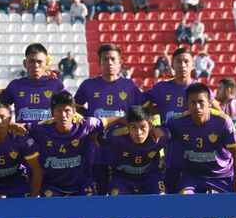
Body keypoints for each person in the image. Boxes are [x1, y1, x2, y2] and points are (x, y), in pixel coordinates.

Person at [75, 43, 144, 195]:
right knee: (98, 194)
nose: (109, 63)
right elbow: (76, 107)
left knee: (119, 193)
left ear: (120, 62)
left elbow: (142, 112)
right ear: (99, 62)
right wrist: (91, 121)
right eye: (105, 59)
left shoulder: (129, 86)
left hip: (123, 149)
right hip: (96, 147)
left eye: (113, 59)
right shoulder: (88, 85)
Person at [28, 91, 126, 197]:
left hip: (82, 185)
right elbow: (20, 127)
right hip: (53, 186)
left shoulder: (86, 125)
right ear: (52, 112)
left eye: (67, 110)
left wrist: (123, 119)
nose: (63, 115)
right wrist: (10, 124)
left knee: (93, 209)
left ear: (74, 111)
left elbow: (108, 121)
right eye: (59, 111)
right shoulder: (41, 129)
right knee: (51, 210)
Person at [166, 83, 236, 193]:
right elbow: (160, 132)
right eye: (193, 102)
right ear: (187, 104)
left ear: (209, 103)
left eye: (201, 102)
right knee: (185, 198)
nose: (197, 106)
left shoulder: (223, 122)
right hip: (194, 176)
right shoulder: (177, 122)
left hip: (223, 174)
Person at [143, 47, 196, 193]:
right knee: (171, 200)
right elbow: (140, 108)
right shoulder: (162, 88)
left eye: (186, 61)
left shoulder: (200, 90)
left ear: (193, 65)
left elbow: (216, 114)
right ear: (172, 65)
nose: (182, 65)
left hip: (195, 159)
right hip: (170, 157)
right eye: (178, 62)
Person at [100, 106, 168, 195]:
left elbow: (177, 134)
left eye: (143, 127)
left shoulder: (160, 137)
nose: (139, 133)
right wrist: (117, 120)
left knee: (162, 200)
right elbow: (94, 137)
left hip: (151, 178)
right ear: (127, 127)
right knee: (116, 203)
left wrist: (155, 129)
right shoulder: (115, 136)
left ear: (150, 126)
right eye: (133, 127)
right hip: (122, 179)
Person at [0, 43, 66, 124]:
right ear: (25, 63)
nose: (36, 65)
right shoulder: (15, 85)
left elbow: (70, 109)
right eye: (31, 61)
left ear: (47, 63)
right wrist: (10, 123)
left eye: (39, 62)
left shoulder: (56, 84)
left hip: (48, 136)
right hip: (23, 135)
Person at [216, 78, 236, 151]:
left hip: (233, 149)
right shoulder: (232, 104)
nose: (217, 91)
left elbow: (234, 126)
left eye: (220, 88)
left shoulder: (231, 104)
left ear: (228, 90)